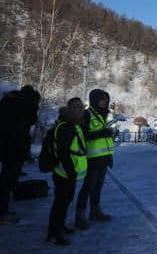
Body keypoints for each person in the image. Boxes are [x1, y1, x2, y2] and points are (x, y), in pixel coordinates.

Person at [47, 99, 88, 245]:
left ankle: (60, 226)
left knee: (65, 201)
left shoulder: (74, 125)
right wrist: (71, 172)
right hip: (64, 173)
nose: (81, 109)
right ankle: (53, 234)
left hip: (68, 173)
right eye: (77, 107)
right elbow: (63, 152)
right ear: (69, 109)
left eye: (82, 107)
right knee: (60, 203)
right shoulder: (67, 127)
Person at [0, 85, 40, 225]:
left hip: (8, 147)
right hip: (14, 148)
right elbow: (30, 121)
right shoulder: (23, 106)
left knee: (7, 179)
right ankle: (2, 214)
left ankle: (4, 211)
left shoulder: (10, 101)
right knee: (7, 181)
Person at [75, 89, 114, 229]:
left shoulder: (101, 115)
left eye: (105, 99)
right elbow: (83, 136)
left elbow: (101, 138)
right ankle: (80, 216)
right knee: (87, 187)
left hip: (103, 158)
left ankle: (95, 211)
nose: (104, 102)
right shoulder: (87, 114)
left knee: (97, 187)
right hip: (92, 159)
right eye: (101, 99)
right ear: (94, 100)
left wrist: (109, 135)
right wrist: (102, 133)